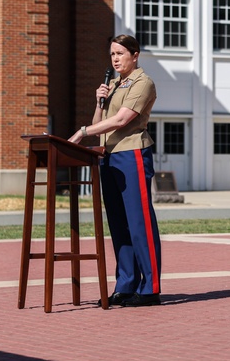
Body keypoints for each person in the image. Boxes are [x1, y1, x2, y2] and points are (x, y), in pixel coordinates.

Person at [68, 34, 161, 307]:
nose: (116, 59)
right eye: (112, 54)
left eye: (120, 53)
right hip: (108, 157)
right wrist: (99, 102)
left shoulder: (143, 83)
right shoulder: (113, 84)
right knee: (118, 225)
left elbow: (121, 120)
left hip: (132, 155)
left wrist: (82, 132)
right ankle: (125, 284)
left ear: (135, 55)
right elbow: (101, 121)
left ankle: (149, 288)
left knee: (139, 223)